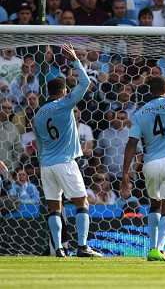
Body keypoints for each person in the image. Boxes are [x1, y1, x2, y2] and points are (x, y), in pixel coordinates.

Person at [121, 23, 165, 262]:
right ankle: (158, 249)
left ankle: (150, 246)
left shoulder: (139, 113)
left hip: (149, 164)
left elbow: (131, 144)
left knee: (153, 205)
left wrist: (125, 173)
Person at [33, 43, 102, 258]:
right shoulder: (65, 104)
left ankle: (58, 249)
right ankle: (82, 247)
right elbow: (86, 82)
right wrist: (75, 59)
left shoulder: (38, 114)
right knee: (82, 202)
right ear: (63, 92)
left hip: (46, 165)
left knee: (55, 207)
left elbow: (40, 144)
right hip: (65, 162)